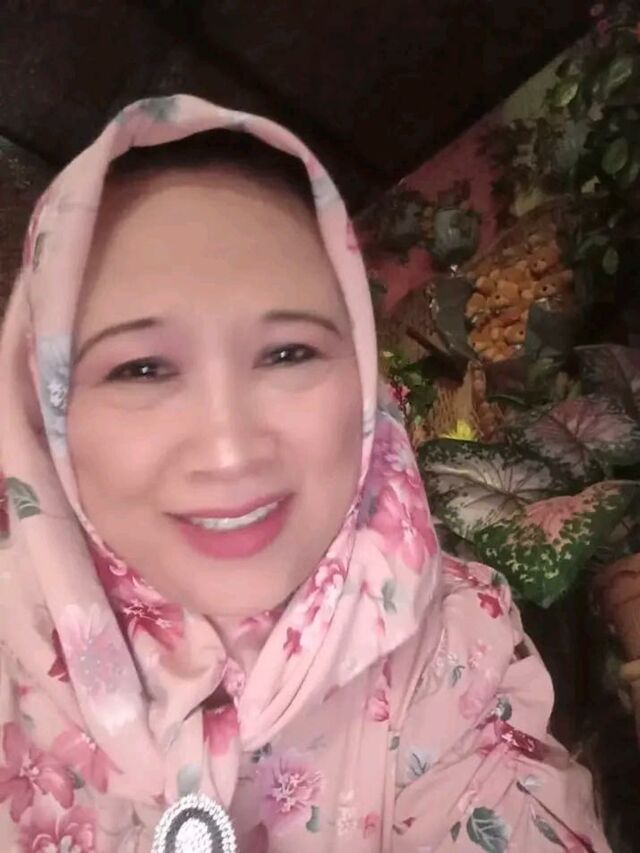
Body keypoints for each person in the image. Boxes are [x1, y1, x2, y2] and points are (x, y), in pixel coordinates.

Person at [0, 95, 609, 852]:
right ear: (42, 415)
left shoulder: (448, 647)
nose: (229, 448)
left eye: (289, 353)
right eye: (142, 368)